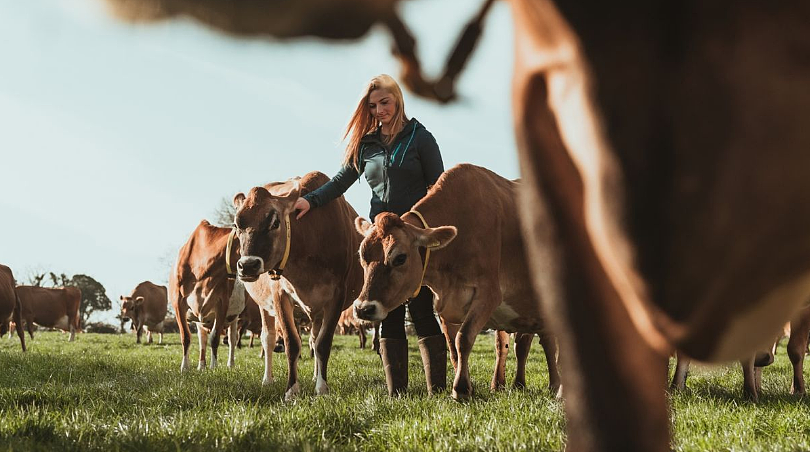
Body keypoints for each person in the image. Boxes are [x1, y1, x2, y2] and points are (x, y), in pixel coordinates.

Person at [293, 74, 447, 396]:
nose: (379, 111)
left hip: (409, 237)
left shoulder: (421, 138)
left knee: (421, 310)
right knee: (385, 310)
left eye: (384, 103)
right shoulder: (366, 144)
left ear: (398, 99)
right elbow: (339, 183)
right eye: (372, 105)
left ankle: (437, 392)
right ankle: (397, 394)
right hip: (379, 239)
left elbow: (437, 189)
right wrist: (309, 200)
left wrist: (423, 230)